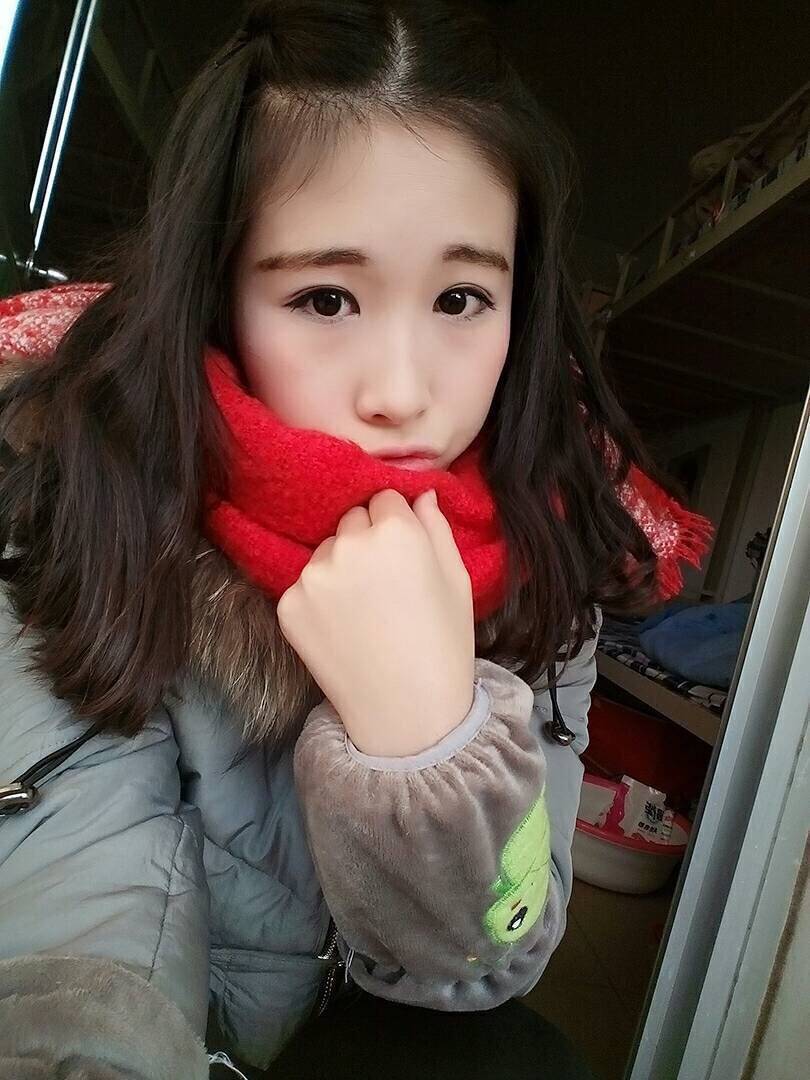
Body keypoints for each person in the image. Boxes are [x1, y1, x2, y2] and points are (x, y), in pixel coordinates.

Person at [0, 1, 713, 1077]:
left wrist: (429, 745)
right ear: (218, 297)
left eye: (461, 297)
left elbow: (499, 952)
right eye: (326, 298)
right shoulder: (85, 503)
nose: (401, 392)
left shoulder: (547, 552)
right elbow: (81, 953)